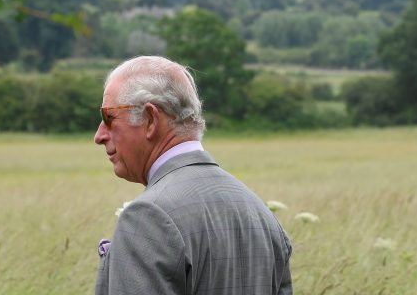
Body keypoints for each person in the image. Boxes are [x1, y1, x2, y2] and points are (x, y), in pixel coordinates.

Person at [93, 55, 293, 295]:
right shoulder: (261, 214)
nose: (99, 135)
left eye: (108, 117)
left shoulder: (149, 216)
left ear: (150, 120)